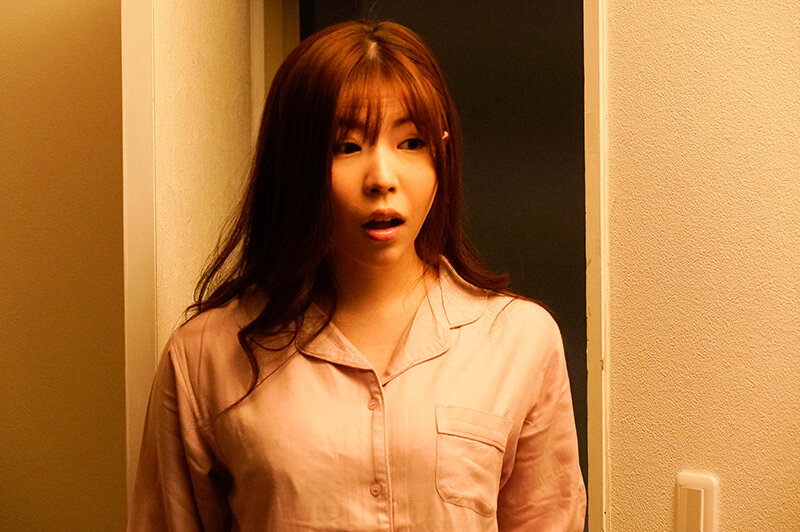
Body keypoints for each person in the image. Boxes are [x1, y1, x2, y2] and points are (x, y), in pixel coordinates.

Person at [129, 19, 586, 531]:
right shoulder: (204, 358)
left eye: (411, 143)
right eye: (346, 147)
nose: (382, 179)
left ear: (442, 154)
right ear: (294, 166)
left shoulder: (519, 340)